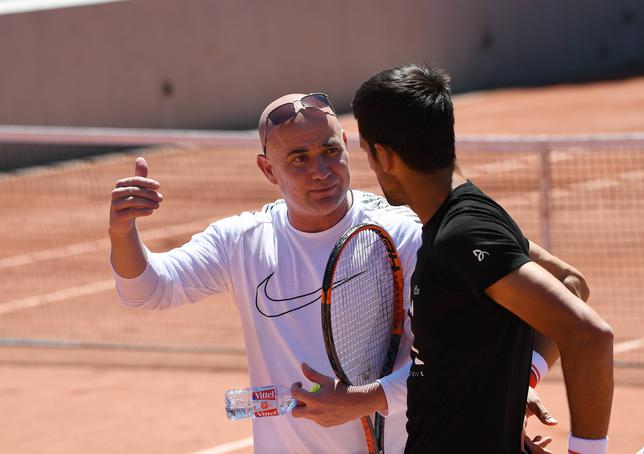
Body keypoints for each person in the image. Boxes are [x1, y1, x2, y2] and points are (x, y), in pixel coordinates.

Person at [109, 92, 584, 453]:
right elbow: (148, 291)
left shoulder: (409, 232)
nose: (322, 170)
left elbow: (562, 290)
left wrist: (516, 385)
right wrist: (122, 232)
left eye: (330, 151)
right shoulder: (242, 240)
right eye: (298, 158)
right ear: (267, 169)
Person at [351, 64, 614, 453]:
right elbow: (569, 283)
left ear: (383, 156)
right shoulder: (474, 214)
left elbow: (590, 335)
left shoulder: (462, 233)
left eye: (366, 153)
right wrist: (520, 385)